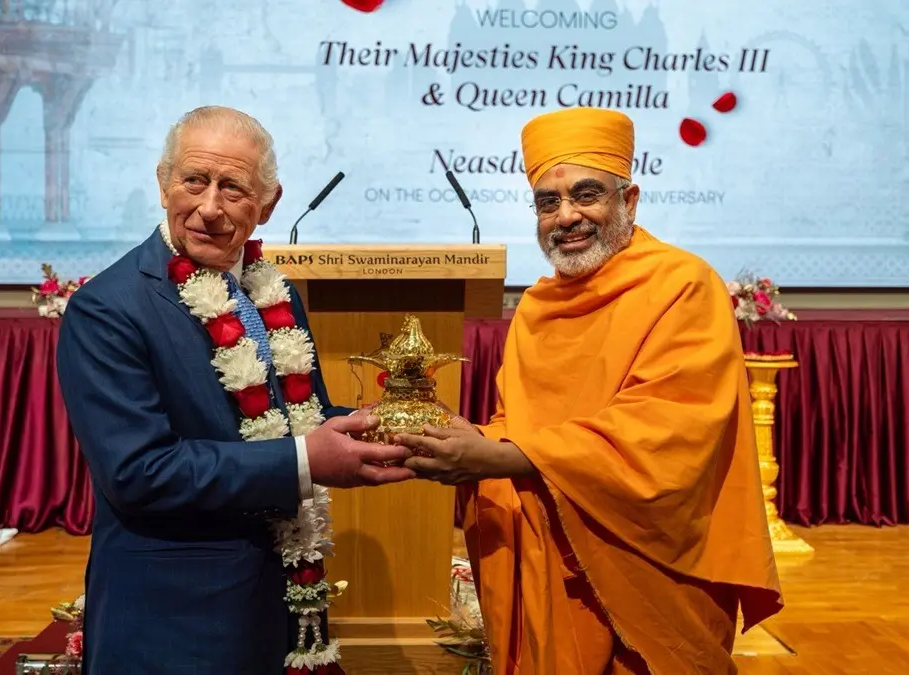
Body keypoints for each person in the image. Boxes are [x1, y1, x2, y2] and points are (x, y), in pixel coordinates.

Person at [397, 107, 783, 674]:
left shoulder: (684, 286)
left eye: (586, 195)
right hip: (551, 557)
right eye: (548, 203)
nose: (567, 217)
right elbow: (522, 424)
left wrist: (498, 455)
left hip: (653, 561)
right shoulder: (535, 309)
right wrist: (472, 440)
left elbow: (665, 433)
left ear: (629, 201)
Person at [57, 106, 413, 673]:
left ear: (268, 203)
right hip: (172, 621)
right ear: (162, 182)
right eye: (194, 180)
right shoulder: (107, 308)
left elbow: (302, 416)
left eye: (233, 188)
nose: (209, 207)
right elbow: (139, 473)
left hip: (275, 605)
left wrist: (388, 424)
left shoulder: (272, 293)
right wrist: (305, 459)